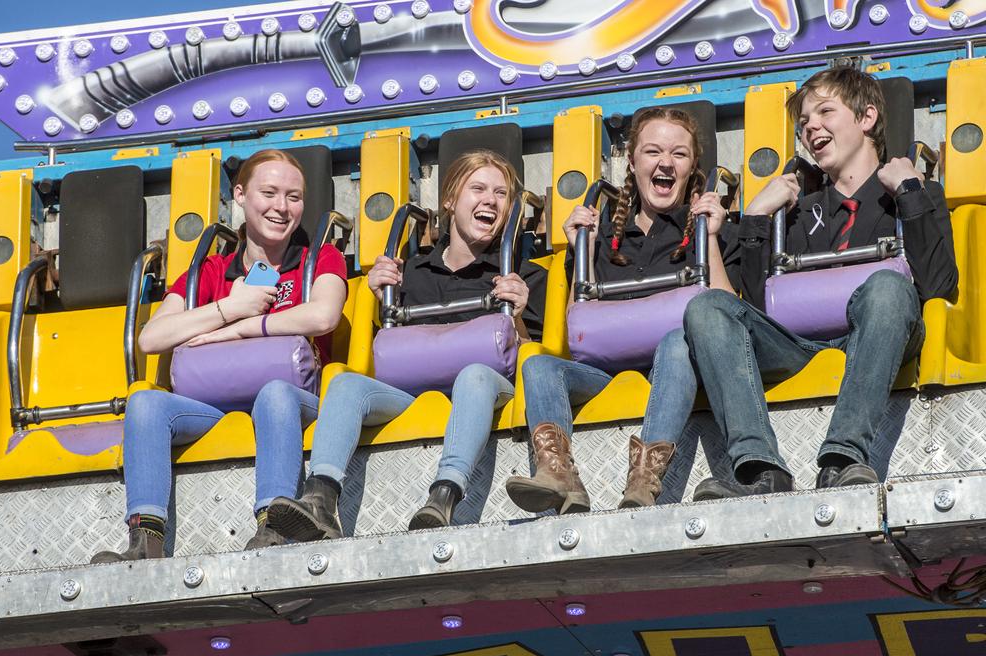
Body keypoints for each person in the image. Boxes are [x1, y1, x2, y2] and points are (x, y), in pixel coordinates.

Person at [684, 66, 957, 500]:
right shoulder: (796, 214)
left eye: (825, 112)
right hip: (801, 345)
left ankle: (843, 459)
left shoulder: (915, 193)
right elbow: (758, 308)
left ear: (866, 118)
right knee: (706, 308)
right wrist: (755, 218)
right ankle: (760, 468)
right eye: (804, 123)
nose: (812, 128)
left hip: (881, 337)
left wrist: (907, 192)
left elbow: (940, 288)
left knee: (887, 286)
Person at [264, 149, 546, 538]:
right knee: (346, 383)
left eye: (501, 194)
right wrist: (381, 301)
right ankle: (321, 498)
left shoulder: (522, 274)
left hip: (488, 391)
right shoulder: (411, 274)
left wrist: (516, 315)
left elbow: (535, 357)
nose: (490, 201)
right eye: (477, 188)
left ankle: (444, 495)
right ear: (449, 199)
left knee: (475, 376)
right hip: (414, 394)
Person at [91, 149, 348, 562]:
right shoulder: (210, 272)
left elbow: (323, 315)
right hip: (215, 406)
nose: (282, 207)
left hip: (294, 402)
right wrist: (229, 306)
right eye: (269, 193)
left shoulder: (319, 259)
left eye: (294, 197)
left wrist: (241, 328)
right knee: (145, 403)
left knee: (275, 394)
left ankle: (275, 526)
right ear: (241, 196)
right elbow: (151, 338)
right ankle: (145, 541)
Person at [505, 107, 736, 515]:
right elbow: (578, 330)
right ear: (633, 162)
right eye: (653, 152)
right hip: (608, 372)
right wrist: (585, 252)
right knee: (539, 367)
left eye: (678, 155)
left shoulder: (705, 228)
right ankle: (560, 478)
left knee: (677, 343)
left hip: (679, 368)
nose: (665, 163)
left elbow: (727, 318)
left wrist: (711, 239)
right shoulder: (606, 235)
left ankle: (644, 479)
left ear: (692, 167)